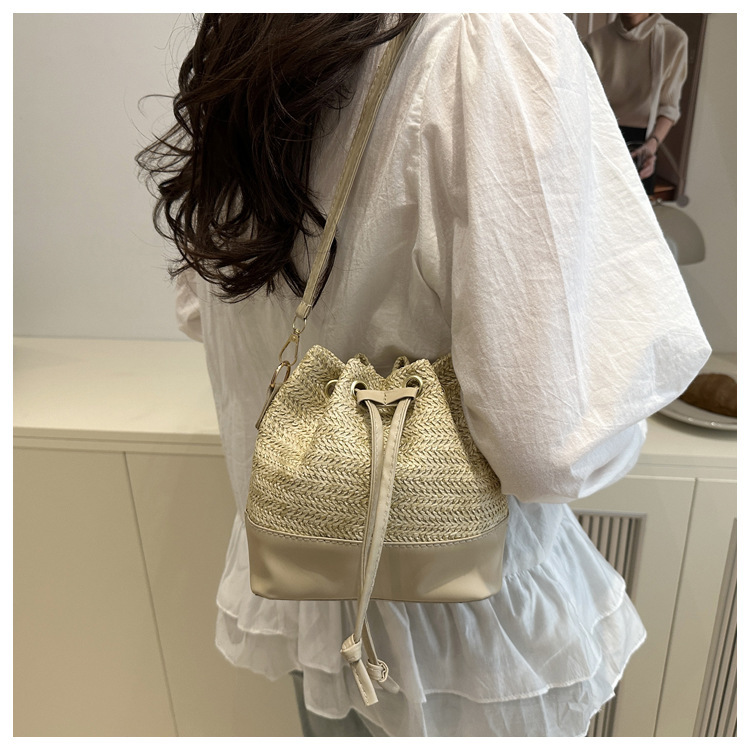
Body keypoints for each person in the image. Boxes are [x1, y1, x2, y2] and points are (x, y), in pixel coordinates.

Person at [138, 14, 710, 737]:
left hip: (306, 594)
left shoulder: (243, 36)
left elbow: (200, 308)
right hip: (468, 649)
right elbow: (552, 444)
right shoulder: (491, 39)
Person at [584, 13, 689, 195]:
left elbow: (669, 107)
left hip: (642, 145)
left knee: (635, 211)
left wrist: (652, 145)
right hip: (599, 140)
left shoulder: (673, 39)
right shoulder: (594, 42)